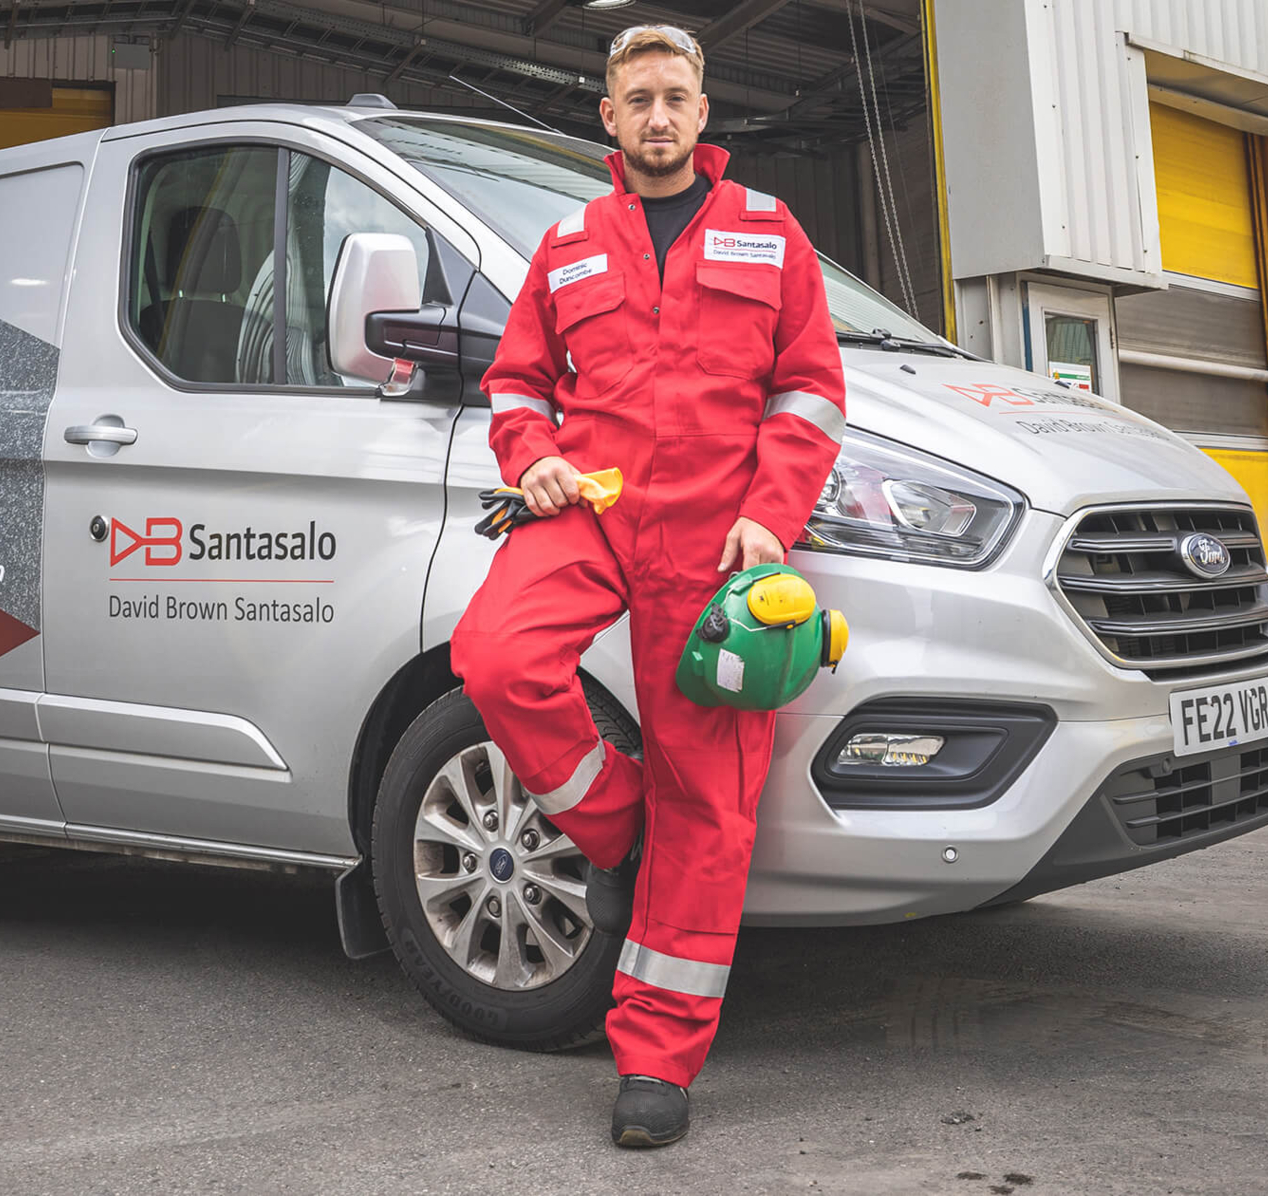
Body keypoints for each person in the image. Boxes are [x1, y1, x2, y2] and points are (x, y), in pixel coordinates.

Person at [450, 23, 847, 1148]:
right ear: (609, 117)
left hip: (717, 536)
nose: (658, 116)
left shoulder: (769, 230)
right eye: (639, 99)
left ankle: (657, 1060)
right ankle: (621, 826)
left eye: (676, 96)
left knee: (710, 800)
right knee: (497, 656)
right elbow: (517, 378)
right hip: (593, 505)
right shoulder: (568, 241)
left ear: (702, 112)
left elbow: (811, 392)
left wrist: (771, 515)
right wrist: (531, 455)